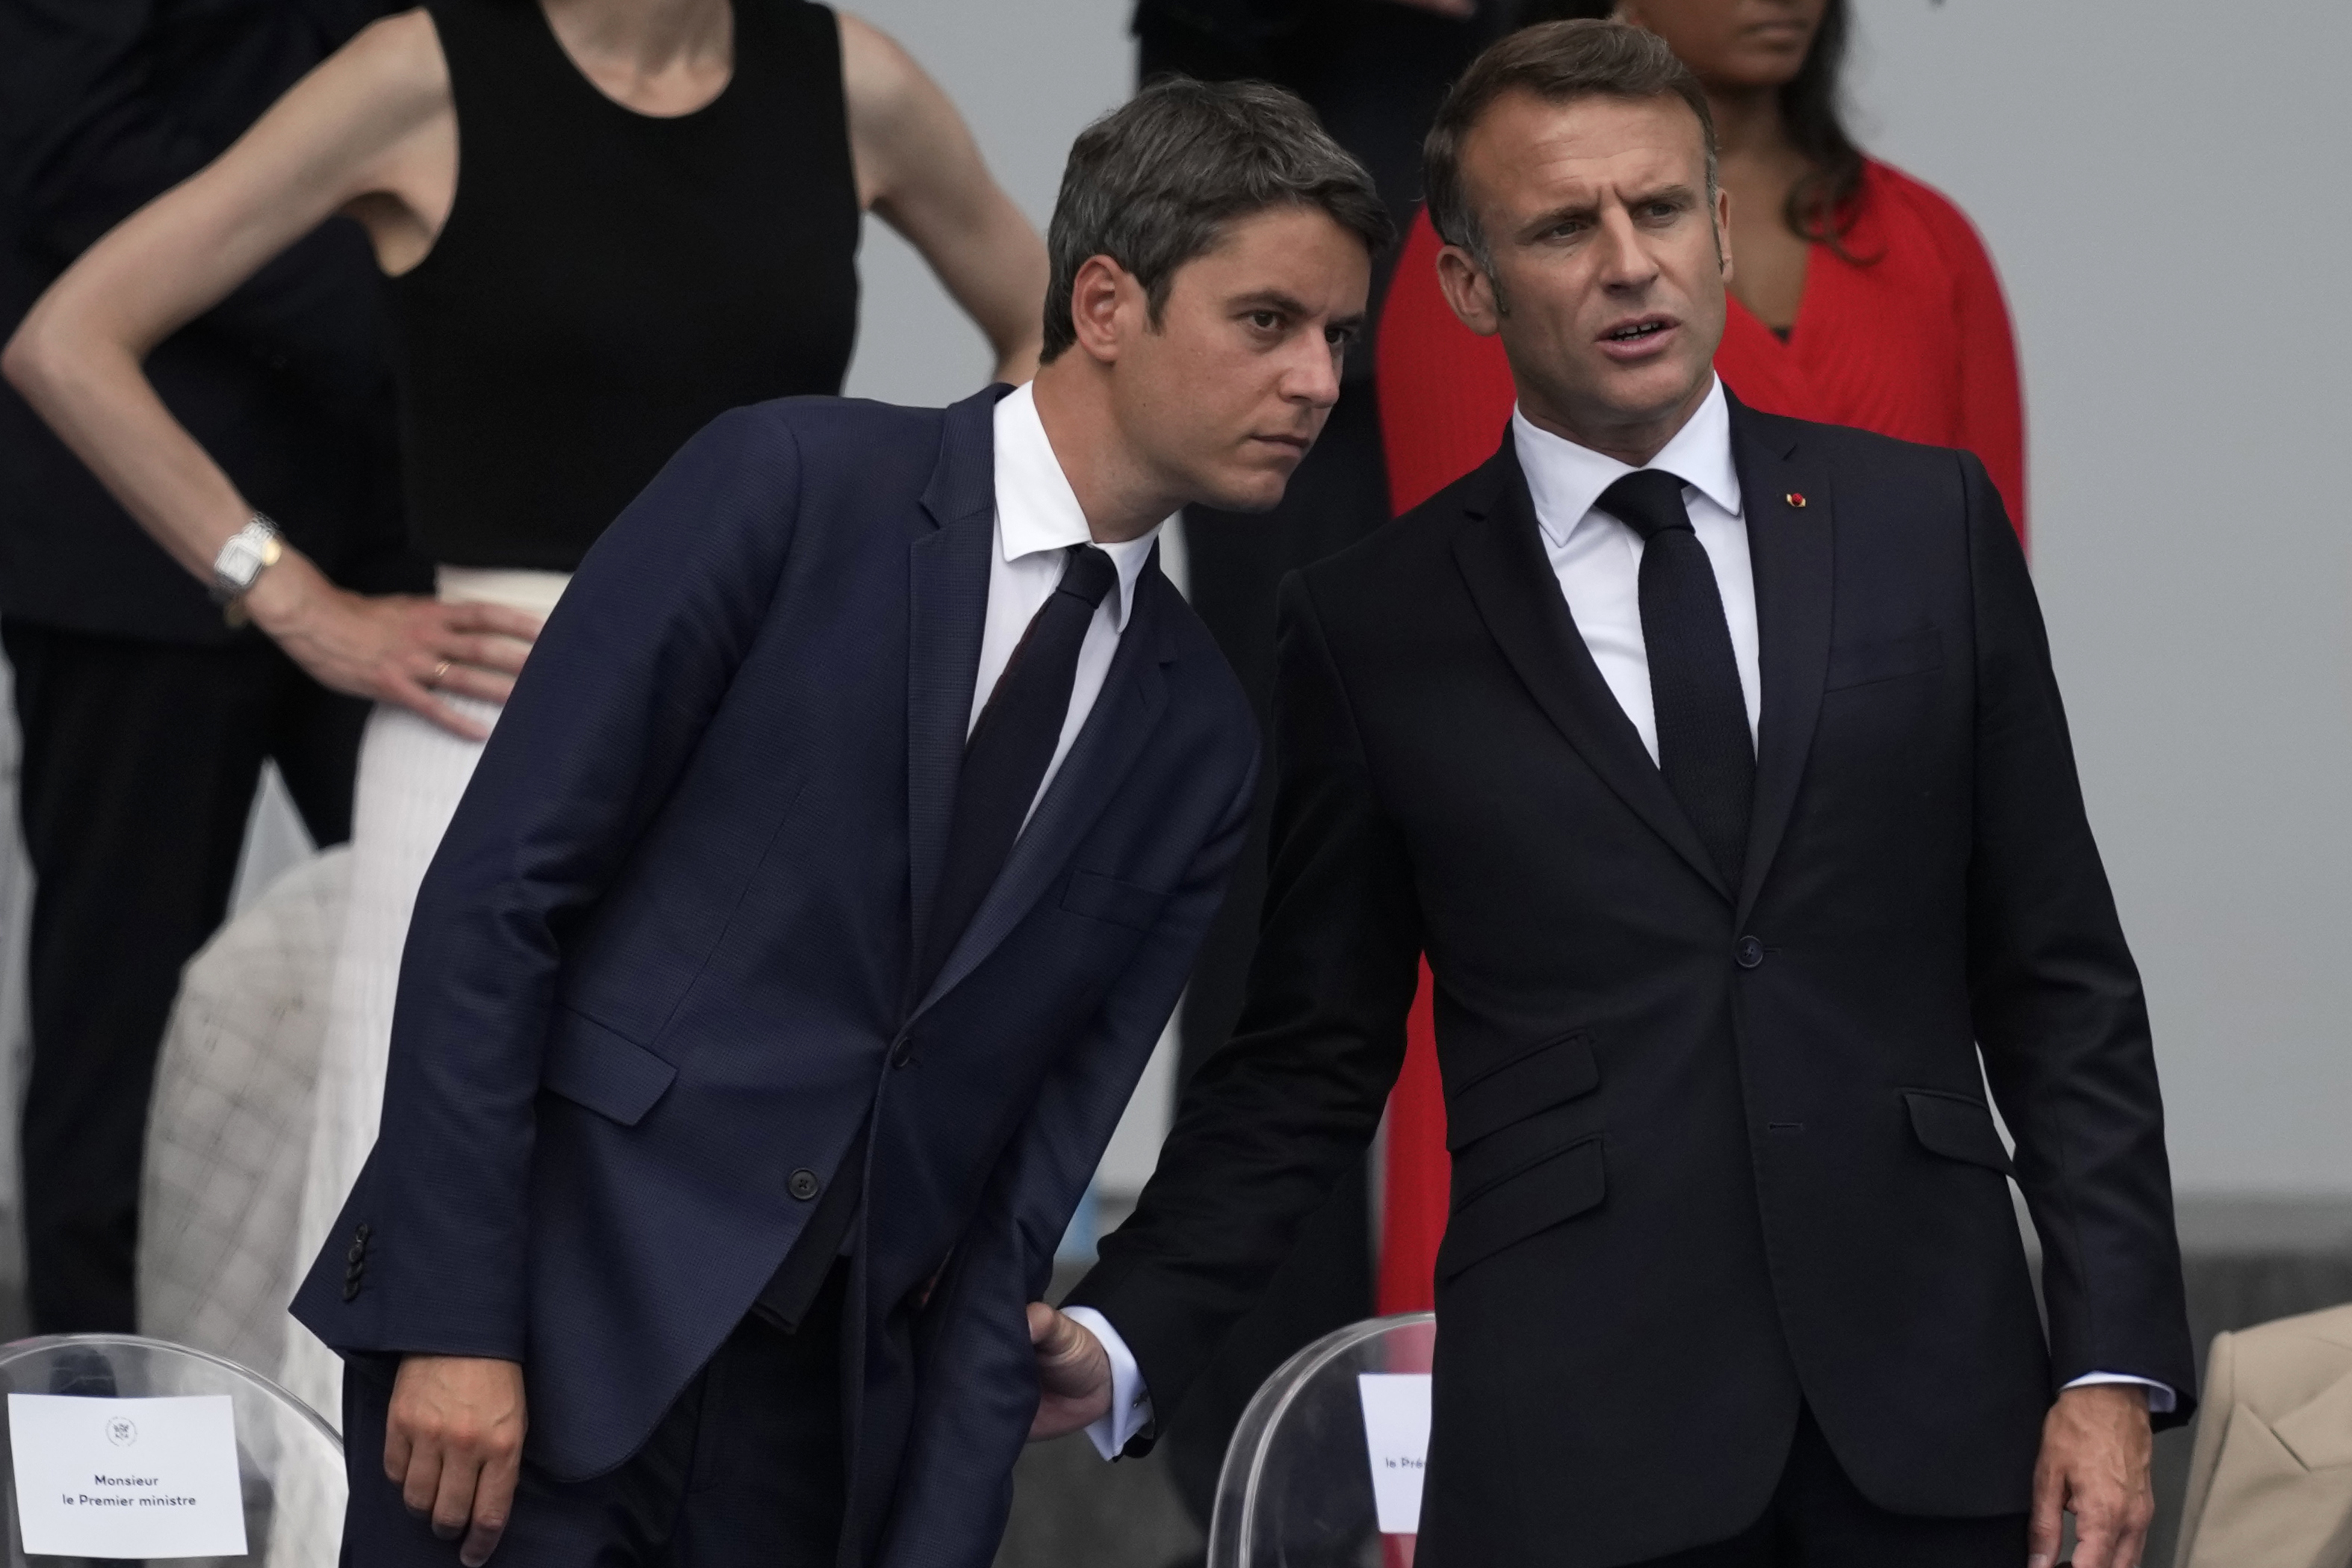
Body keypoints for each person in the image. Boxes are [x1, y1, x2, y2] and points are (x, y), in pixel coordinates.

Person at [1035, 22, 2193, 1568]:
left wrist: (2108, 1363)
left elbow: (2056, 980)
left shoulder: (1924, 532)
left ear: (1718, 228)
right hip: (1572, 1457)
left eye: (1658, 210)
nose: (1626, 262)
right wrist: (1120, 1330)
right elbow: (1305, 1058)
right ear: (1463, 284)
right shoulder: (1372, 623)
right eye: (1562, 227)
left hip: (1940, 1424)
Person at [282, 78, 1386, 1568]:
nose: (1317, 380)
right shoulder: (790, 484)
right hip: (531, 1348)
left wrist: (938, 1516)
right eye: (1267, 323)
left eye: (1336, 335)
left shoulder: (1200, 729)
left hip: (823, 1446)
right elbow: (498, 900)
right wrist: (455, 1324)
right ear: (1107, 302)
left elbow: (1030, 1175)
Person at [4, 0, 1046, 1391]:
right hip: (479, 714)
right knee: (421, 1254)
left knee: (703, 1223)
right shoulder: (422, 70)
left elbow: (1052, 331)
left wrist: (895, 567)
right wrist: (287, 593)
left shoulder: (851, 77)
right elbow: (69, 339)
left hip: (761, 735)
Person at [1370, 0, 2033, 1315]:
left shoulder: (1929, 246)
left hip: (1861, 992)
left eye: (1667, 215)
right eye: (1576, 228)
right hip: (1563, 990)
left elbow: (1987, 653)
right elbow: (1455, 657)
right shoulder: (1474, 256)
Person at [1128, 0, 1507, 1522]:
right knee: (1283, 876)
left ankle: (1509, 1396)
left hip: (1499, 234)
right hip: (1307, 197)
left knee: (1531, 850)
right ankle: (1256, 1446)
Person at [0, 0, 426, 1335]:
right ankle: (108, 1504)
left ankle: (401, 1425)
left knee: (476, 965)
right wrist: (409, 296)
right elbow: (69, 146)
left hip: (399, 528)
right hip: (138, 530)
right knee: (116, 1042)